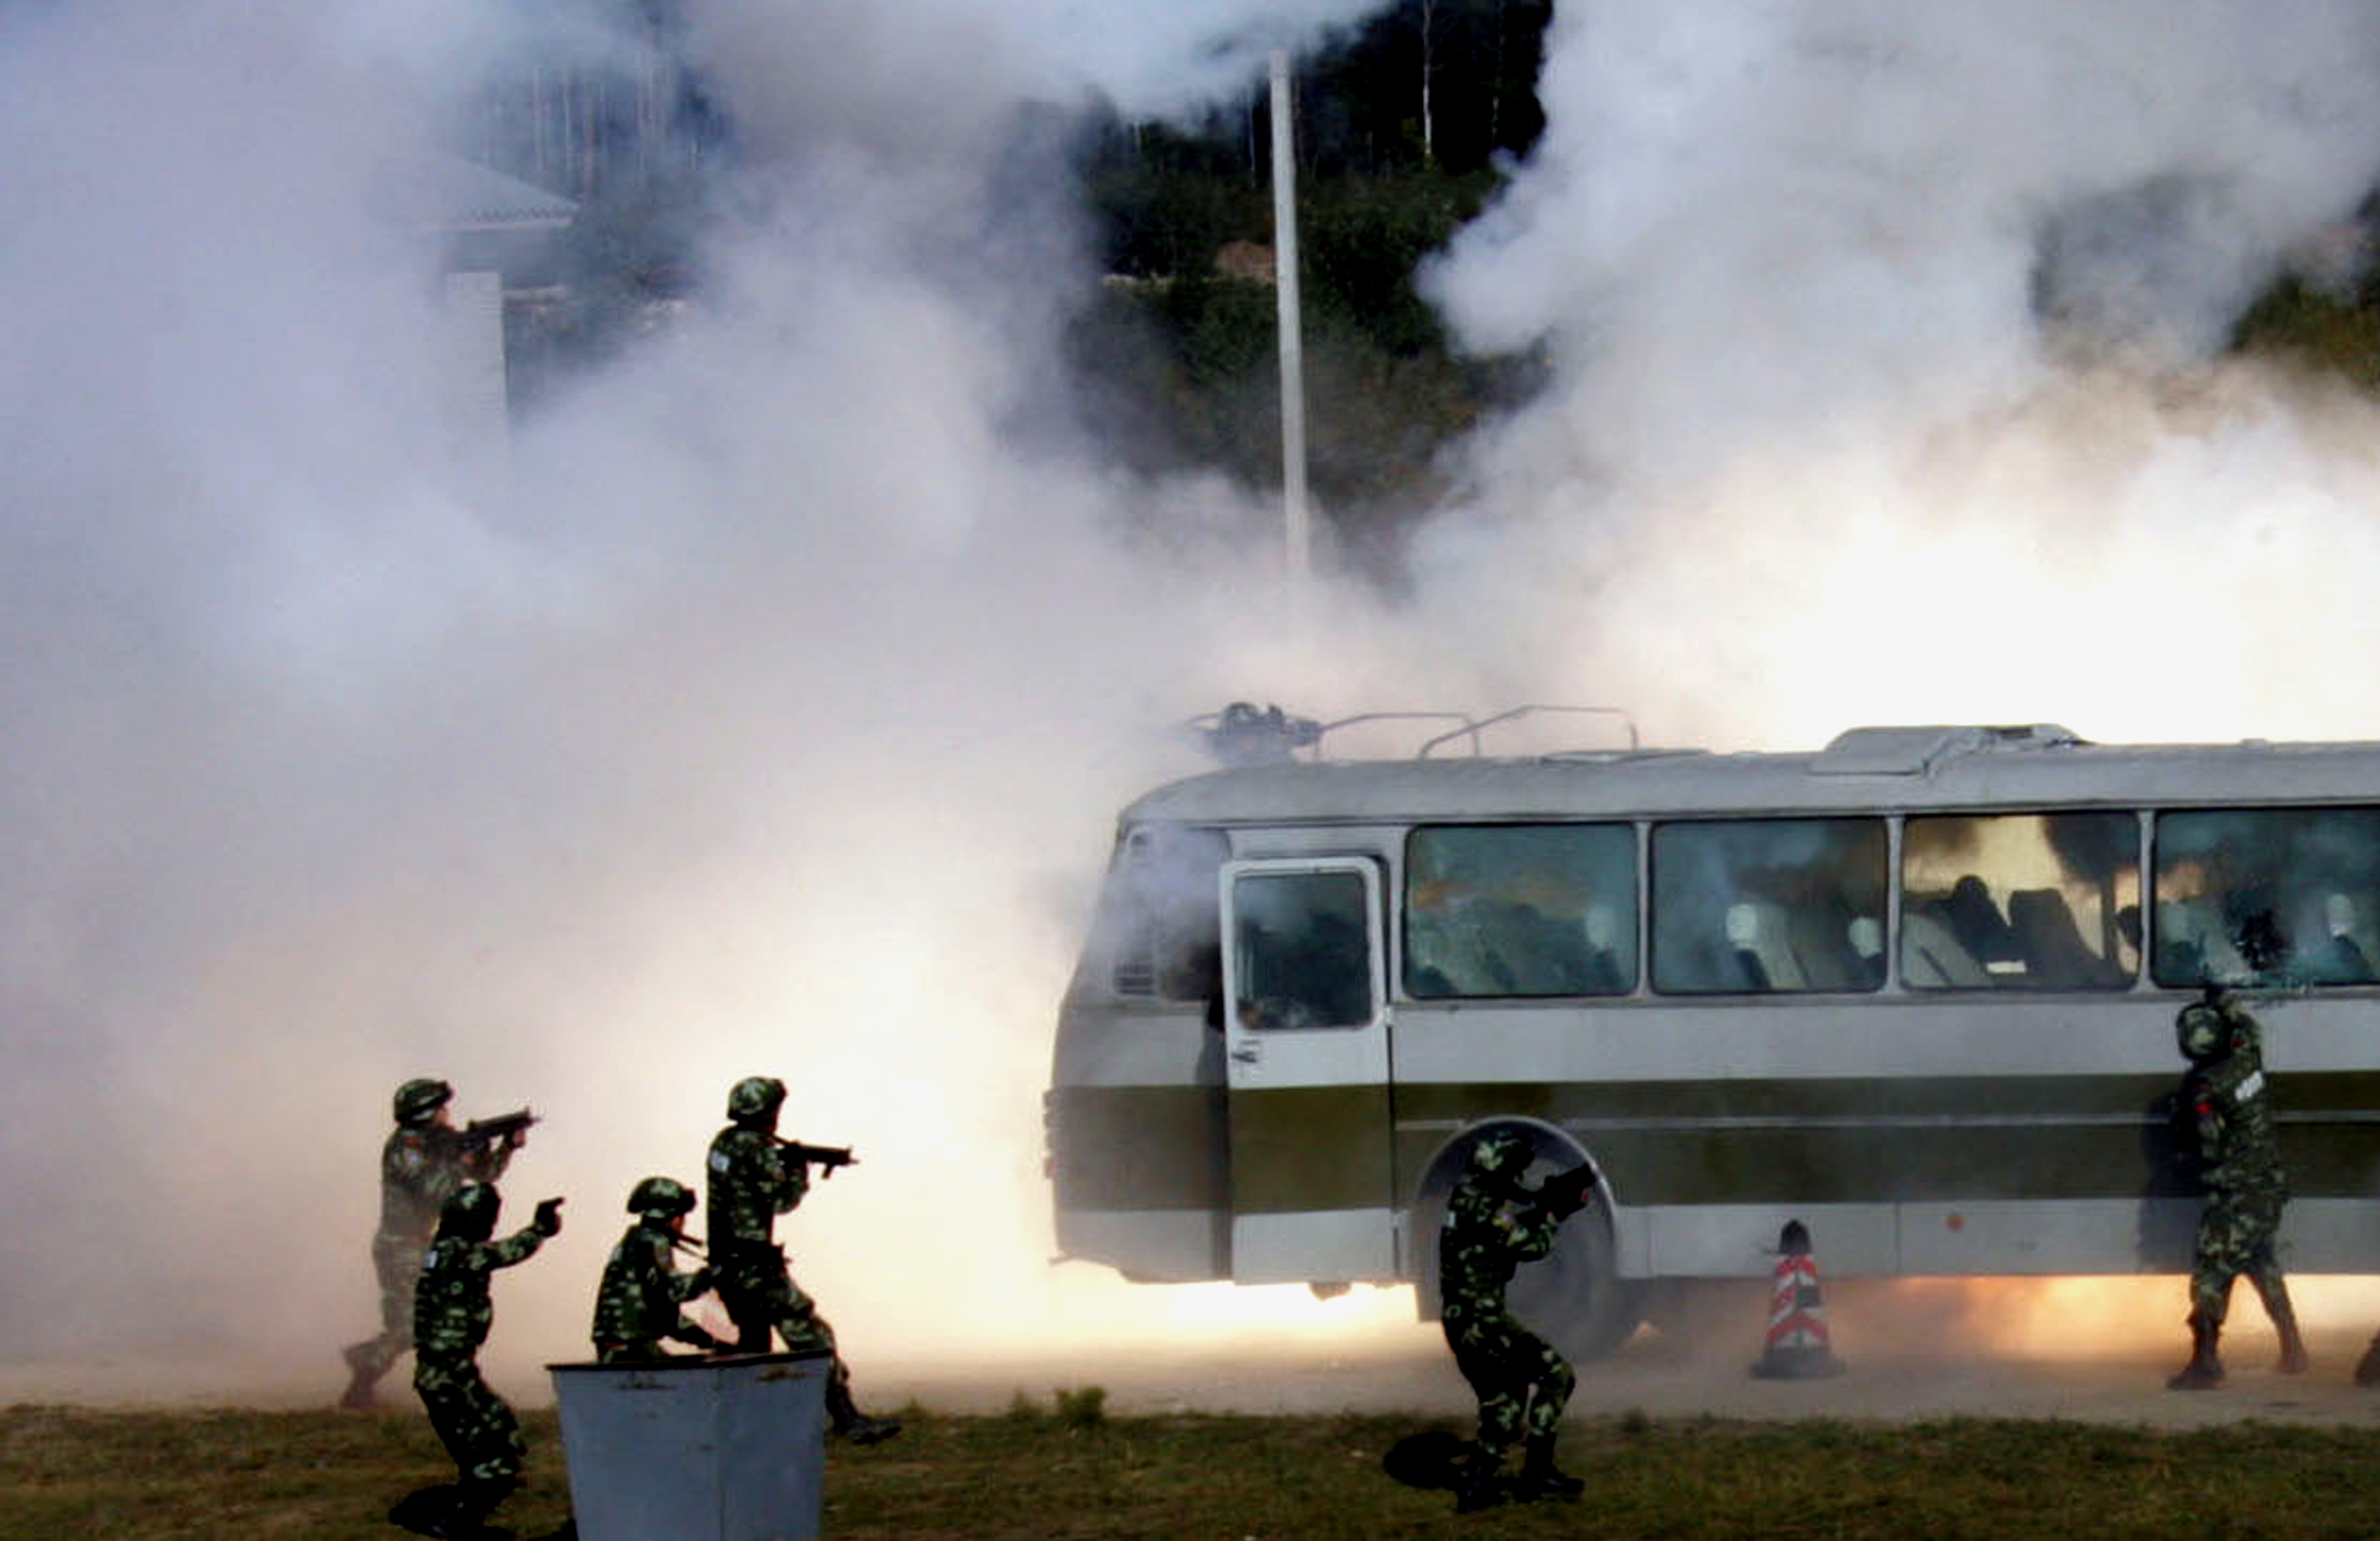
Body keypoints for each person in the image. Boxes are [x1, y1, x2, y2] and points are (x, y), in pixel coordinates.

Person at [706, 1074, 900, 1444]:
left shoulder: (723, 1143)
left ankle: (742, 1428)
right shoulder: (757, 1148)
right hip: (755, 1267)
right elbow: (781, 1200)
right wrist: (798, 1170)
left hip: (725, 1266)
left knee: (750, 1346)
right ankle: (848, 1420)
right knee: (812, 1336)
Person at [342, 1078, 526, 1409]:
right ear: (425, 1112)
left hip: (421, 1246)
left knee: (423, 1321)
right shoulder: (406, 1149)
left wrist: (506, 1148)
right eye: (441, 1108)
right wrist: (463, 1160)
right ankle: (363, 1374)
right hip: (400, 1246)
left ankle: (367, 1372)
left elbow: (486, 1176)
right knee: (411, 1326)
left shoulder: (439, 1143)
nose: (447, 1113)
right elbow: (436, 1191)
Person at [1438, 1129, 1596, 1513]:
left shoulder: (1466, 1199)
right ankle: (1537, 1473)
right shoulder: (1490, 1208)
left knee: (1505, 1403)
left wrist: (1545, 1207)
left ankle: (1476, 1489)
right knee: (1557, 1375)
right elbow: (1530, 1246)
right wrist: (1556, 1213)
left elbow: (1500, 1234)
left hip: (1462, 1325)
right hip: (1486, 1324)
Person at [403, 1181, 563, 1540]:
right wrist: (540, 1228)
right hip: (449, 1375)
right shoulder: (460, 1252)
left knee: (501, 1426)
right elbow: (507, 1252)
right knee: (494, 1461)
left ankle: (468, 1503)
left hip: (450, 1370)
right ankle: (459, 1521)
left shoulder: (442, 1248)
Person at [2168, 990, 2309, 1389]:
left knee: (2211, 1272)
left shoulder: (2205, 1088)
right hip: (2268, 1189)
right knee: (2261, 1264)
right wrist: (2224, 1002)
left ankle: (2205, 1362)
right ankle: (2293, 1350)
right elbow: (2250, 1027)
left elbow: (2210, 1143)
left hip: (2234, 1194)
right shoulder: (2250, 1060)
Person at [591, 1176, 722, 1364]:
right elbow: (677, 1291)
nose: (683, 1223)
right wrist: (713, 1273)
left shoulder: (632, 1243)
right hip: (634, 1345)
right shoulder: (654, 1242)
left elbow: (664, 1313)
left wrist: (705, 1339)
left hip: (618, 1346)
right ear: (668, 1215)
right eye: (681, 1216)